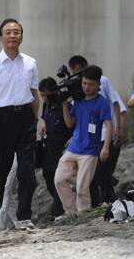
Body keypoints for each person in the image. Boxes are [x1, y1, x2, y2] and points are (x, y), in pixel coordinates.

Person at [0, 18, 39, 231]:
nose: (13, 35)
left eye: (16, 31)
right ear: (1, 38)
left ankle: (24, 217)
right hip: (1, 119)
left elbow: (34, 94)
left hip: (25, 119)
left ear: (21, 37)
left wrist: (36, 120)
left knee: (27, 172)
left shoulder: (30, 63)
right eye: (8, 32)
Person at [54, 65, 113, 214]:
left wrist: (105, 147)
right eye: (84, 83)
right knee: (59, 180)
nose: (86, 87)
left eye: (91, 84)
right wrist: (63, 104)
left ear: (99, 84)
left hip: (90, 151)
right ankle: (71, 212)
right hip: (73, 147)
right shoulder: (78, 100)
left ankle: (83, 215)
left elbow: (109, 124)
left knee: (82, 187)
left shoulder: (102, 102)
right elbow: (69, 124)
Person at [68, 56, 124, 206]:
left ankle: (108, 199)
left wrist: (118, 128)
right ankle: (95, 203)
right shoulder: (78, 86)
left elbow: (115, 103)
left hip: (104, 131)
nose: (85, 84)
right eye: (74, 73)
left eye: (79, 71)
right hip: (87, 136)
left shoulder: (104, 81)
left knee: (102, 167)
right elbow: (77, 113)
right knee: (88, 171)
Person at [38, 77, 73, 217]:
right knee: (49, 180)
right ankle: (63, 207)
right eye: (41, 95)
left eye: (46, 95)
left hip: (62, 150)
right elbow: (42, 117)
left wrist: (72, 138)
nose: (44, 98)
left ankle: (57, 214)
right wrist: (43, 124)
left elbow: (72, 124)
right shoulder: (46, 105)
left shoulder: (66, 106)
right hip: (48, 149)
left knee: (59, 181)